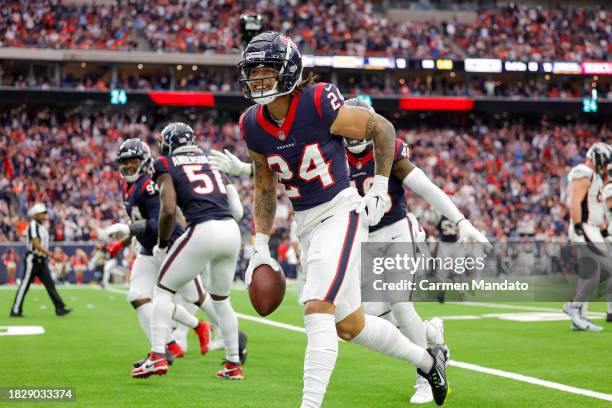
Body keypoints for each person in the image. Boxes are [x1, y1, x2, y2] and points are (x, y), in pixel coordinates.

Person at [237, 32, 449, 407]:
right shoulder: (252, 123)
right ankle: (429, 361)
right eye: (252, 74)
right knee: (350, 325)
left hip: (340, 211)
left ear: (288, 72)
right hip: (306, 224)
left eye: (266, 73)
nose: (257, 82)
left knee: (317, 308)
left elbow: (381, 128)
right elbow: (264, 186)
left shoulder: (318, 100)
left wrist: (381, 184)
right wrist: (260, 245)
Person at [131, 123, 245, 380]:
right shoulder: (211, 159)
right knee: (221, 300)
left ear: (168, 143)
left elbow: (169, 209)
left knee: (162, 289)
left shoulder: (165, 163)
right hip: (231, 230)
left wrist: (161, 244)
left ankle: (157, 355)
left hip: (203, 229)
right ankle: (233, 364)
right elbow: (237, 211)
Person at [105, 138, 215, 371]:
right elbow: (139, 222)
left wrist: (130, 231)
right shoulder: (127, 185)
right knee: (137, 296)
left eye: (133, 162)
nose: (128, 167)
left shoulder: (150, 184)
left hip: (171, 247)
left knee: (198, 297)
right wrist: (124, 242)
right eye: (124, 163)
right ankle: (166, 345)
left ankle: (230, 332)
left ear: (144, 161)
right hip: (147, 249)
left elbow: (158, 222)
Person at [563, 142, 612, 331]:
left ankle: (579, 316)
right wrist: (577, 226)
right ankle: (574, 307)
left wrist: (605, 231)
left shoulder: (595, 176)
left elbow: (595, 207)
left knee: (591, 272)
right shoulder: (583, 171)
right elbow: (575, 200)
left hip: (592, 227)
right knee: (597, 270)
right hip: (584, 227)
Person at [9, 203, 72, 317]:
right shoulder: (33, 225)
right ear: (36, 214)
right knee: (24, 285)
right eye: (42, 213)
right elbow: (36, 244)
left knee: (50, 284)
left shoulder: (41, 226)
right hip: (32, 259)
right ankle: (15, 310)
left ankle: (60, 308)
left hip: (41, 260)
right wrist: (51, 255)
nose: (44, 215)